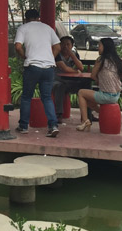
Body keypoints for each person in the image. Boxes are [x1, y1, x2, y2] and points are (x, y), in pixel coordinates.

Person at [14, 9, 61, 137]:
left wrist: (24, 56)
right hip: (49, 67)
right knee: (47, 97)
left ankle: (23, 126)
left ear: (26, 18)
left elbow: (18, 46)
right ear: (38, 17)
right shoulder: (48, 28)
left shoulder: (23, 28)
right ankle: (53, 126)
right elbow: (58, 47)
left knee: (26, 97)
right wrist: (50, 58)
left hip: (33, 66)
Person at [76, 37, 122, 131]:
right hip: (116, 95)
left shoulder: (100, 60)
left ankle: (85, 120)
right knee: (89, 102)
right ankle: (105, 113)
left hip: (106, 95)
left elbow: (93, 75)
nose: (98, 48)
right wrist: (118, 78)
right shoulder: (118, 60)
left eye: (99, 45)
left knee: (81, 93)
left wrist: (99, 81)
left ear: (105, 47)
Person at [53, 35, 84, 119]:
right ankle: (59, 114)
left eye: (68, 44)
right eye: (63, 44)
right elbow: (65, 68)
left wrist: (72, 55)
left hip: (70, 81)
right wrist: (76, 71)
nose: (65, 47)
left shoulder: (75, 54)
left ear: (72, 45)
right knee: (60, 86)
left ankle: (87, 114)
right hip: (57, 80)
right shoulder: (57, 55)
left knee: (85, 87)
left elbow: (81, 67)